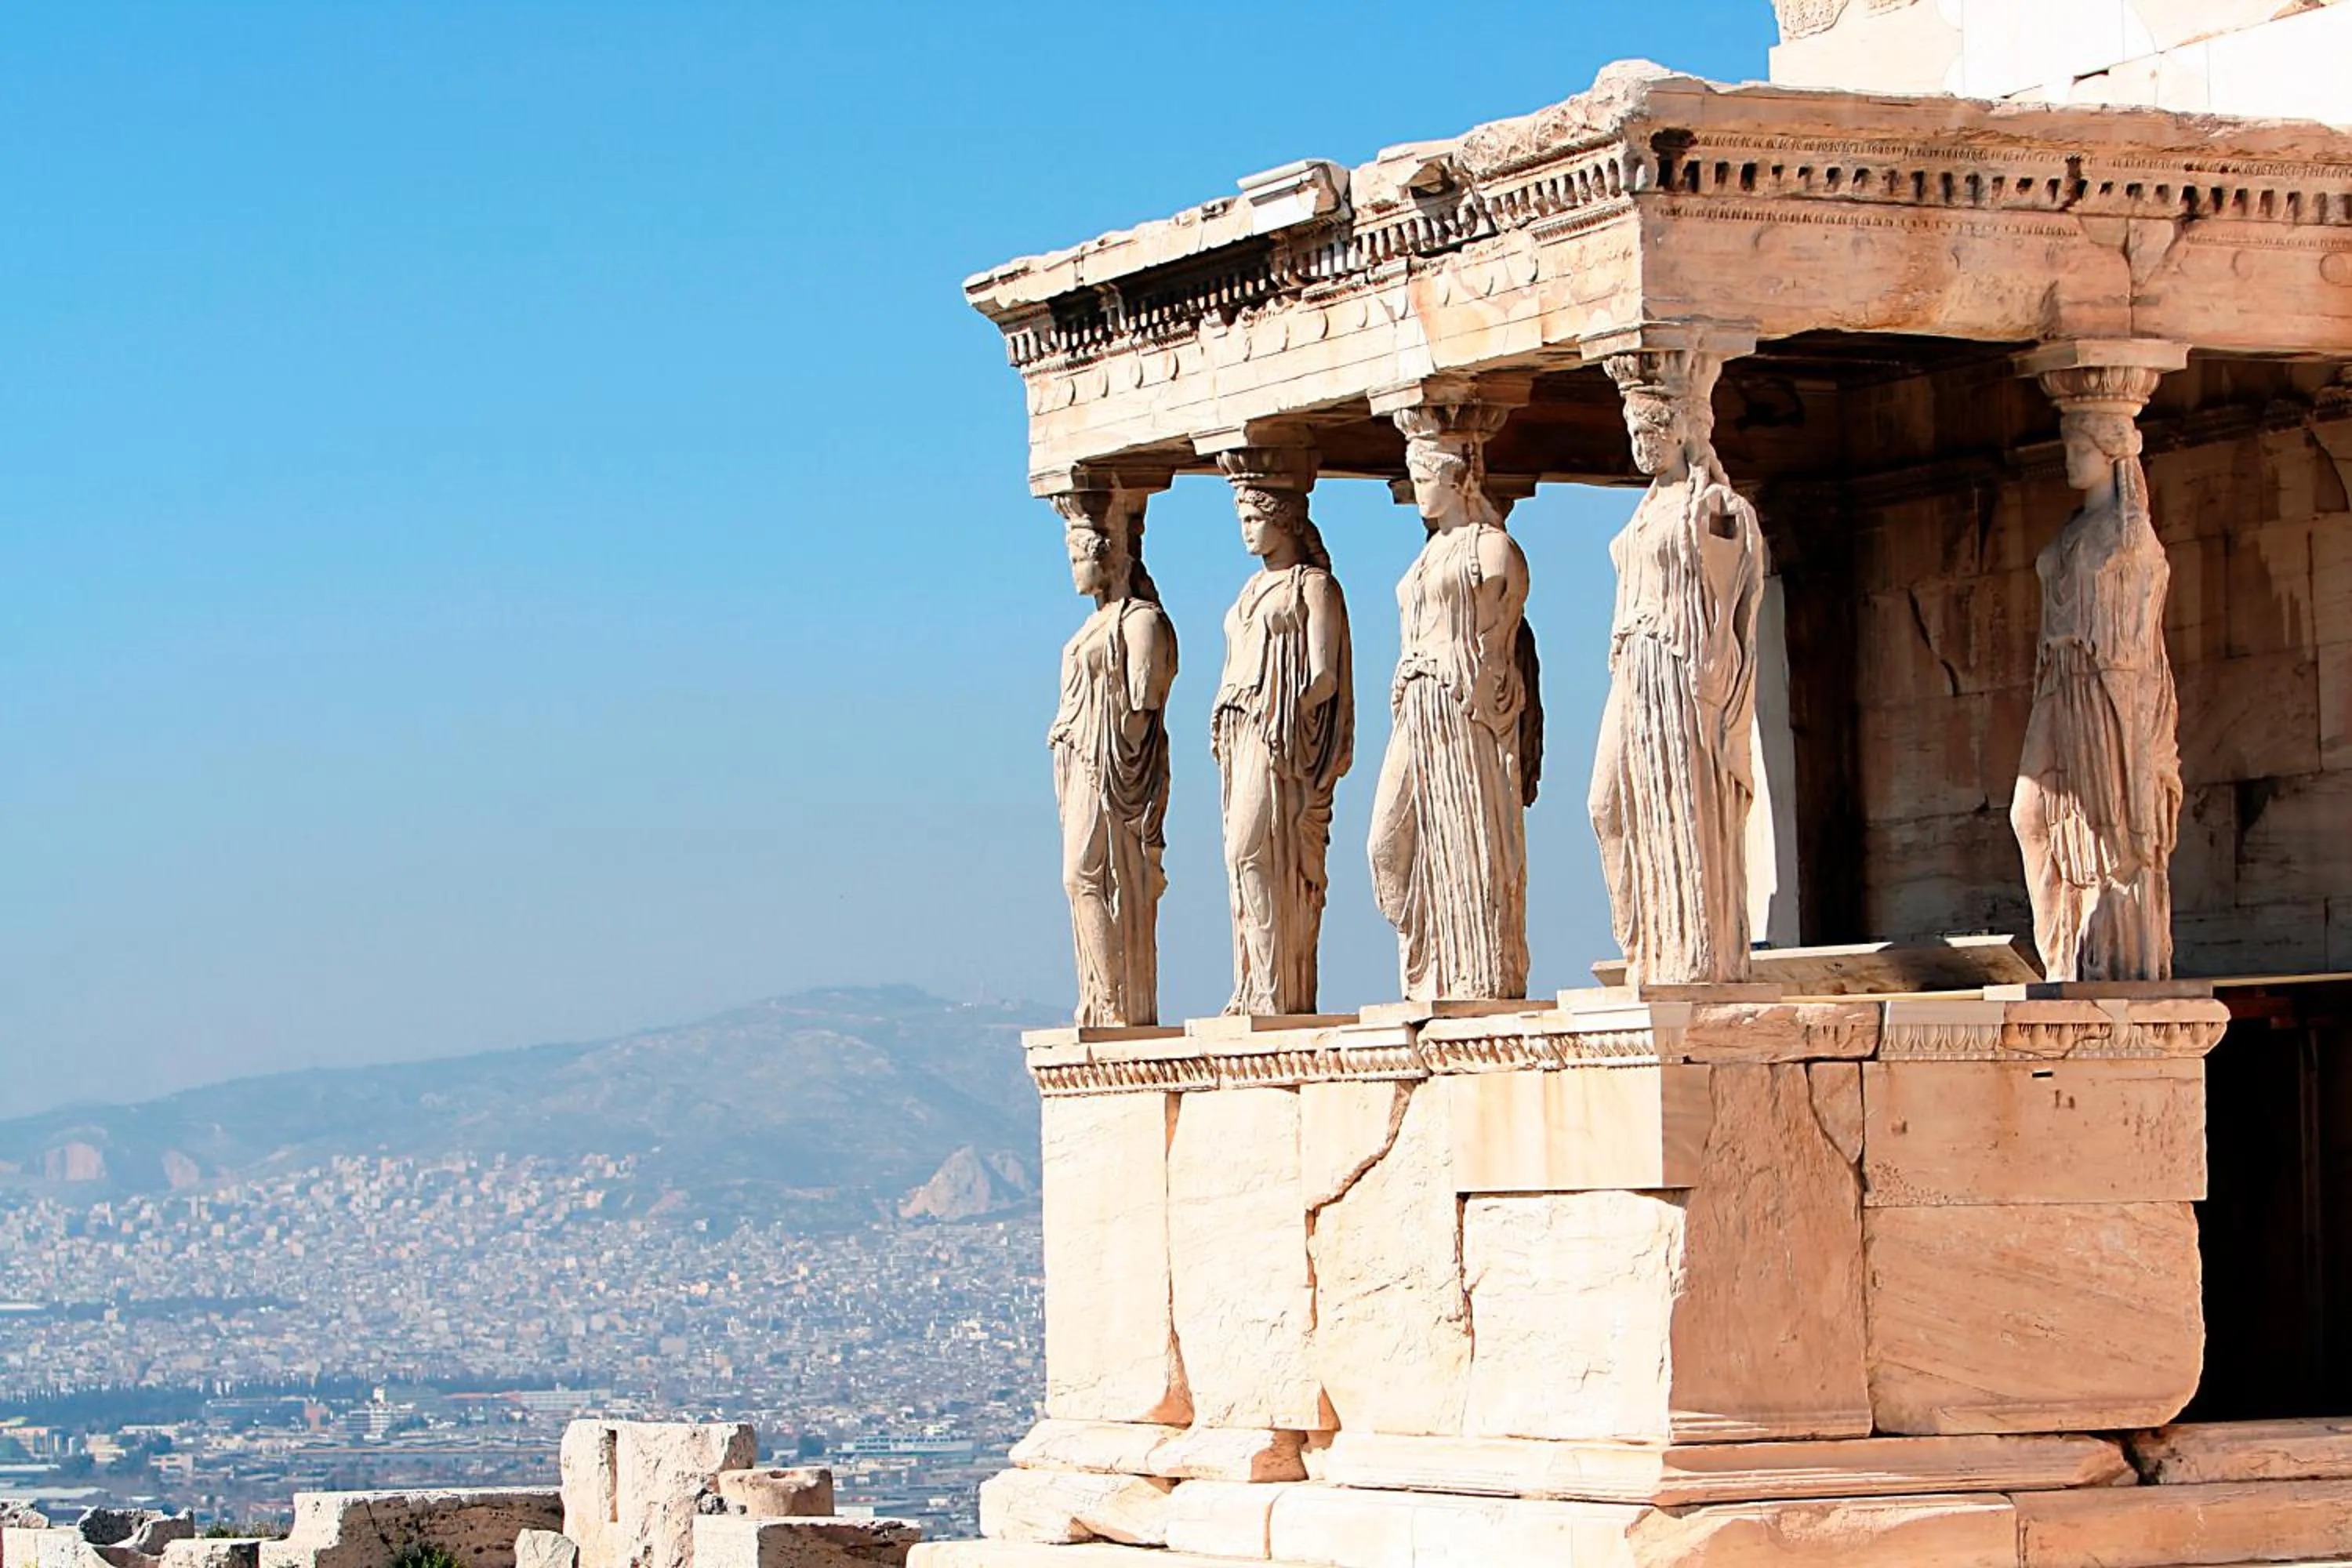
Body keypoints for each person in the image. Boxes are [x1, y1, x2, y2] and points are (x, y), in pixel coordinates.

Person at [2012, 408, 2180, 981]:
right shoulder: (2069, 532)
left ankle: (2114, 957)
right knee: (2028, 814)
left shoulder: (2130, 535)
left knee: (2109, 828)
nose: (2069, 458)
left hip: (2108, 691)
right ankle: (2062, 952)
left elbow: (2139, 631)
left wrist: (2133, 721)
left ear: (2110, 454)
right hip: (2060, 683)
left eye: (2080, 447)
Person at [1211, 482, 1352, 1016]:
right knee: (1240, 858)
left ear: (1286, 520)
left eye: (1253, 518)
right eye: (1243, 519)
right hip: (1240, 731)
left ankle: (1278, 991)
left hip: (1280, 736)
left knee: (1255, 851)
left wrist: (1284, 710)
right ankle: (1252, 984)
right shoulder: (1248, 590)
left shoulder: (1314, 587)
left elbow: (1324, 675)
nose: (1246, 529)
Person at [1047, 496, 1177, 1025]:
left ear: (1110, 557)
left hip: (1111, 766)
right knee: (1081, 878)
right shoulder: (1093, 626)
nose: (1073, 570)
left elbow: (1145, 703)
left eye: (1080, 558)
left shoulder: (1142, 621)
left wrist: (1114, 742)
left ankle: (1117, 999)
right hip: (1079, 760)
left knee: (1086, 874)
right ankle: (1103, 997)